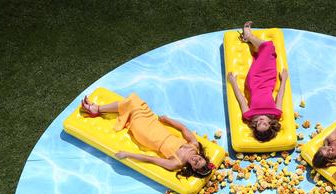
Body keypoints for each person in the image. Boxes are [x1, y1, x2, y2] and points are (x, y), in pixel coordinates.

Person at [80, 94, 214, 179]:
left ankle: (96, 109)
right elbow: (183, 128)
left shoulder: (175, 163)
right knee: (137, 102)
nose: (196, 159)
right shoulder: (194, 145)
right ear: (202, 156)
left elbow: (151, 159)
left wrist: (128, 154)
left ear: (193, 168)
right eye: (199, 158)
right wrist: (168, 120)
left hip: (147, 135)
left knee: (132, 105)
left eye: (196, 163)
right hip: (155, 125)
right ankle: (96, 108)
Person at [227, 21, 288, 142]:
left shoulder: (249, 115)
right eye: (264, 124)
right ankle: (250, 38)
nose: (260, 121)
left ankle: (248, 36)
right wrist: (284, 80)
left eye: (258, 125)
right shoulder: (276, 113)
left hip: (254, 80)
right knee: (271, 55)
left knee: (269, 47)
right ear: (270, 124)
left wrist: (233, 82)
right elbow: (280, 95)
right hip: (270, 80)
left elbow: (241, 99)